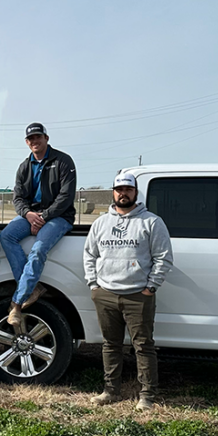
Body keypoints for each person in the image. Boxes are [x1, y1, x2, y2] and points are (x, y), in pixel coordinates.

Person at [83, 169, 173, 409]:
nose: (123, 194)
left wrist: (150, 287)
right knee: (110, 344)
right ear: (113, 192)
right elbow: (90, 254)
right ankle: (110, 390)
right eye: (119, 189)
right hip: (106, 293)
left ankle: (147, 395)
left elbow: (163, 258)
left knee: (143, 345)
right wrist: (94, 285)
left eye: (128, 189)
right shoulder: (101, 223)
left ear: (135, 192)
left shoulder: (151, 222)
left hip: (138, 295)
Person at [0, 122, 77, 326]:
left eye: (38, 137)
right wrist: (28, 214)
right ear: (27, 142)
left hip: (59, 216)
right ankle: (32, 289)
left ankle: (17, 302)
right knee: (7, 236)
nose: (35, 141)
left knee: (39, 248)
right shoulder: (24, 166)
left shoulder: (63, 161)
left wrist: (44, 216)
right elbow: (18, 198)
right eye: (31, 138)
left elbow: (66, 197)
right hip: (32, 215)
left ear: (46, 138)